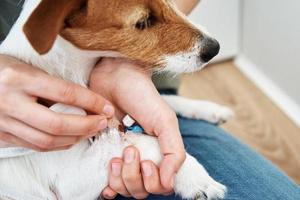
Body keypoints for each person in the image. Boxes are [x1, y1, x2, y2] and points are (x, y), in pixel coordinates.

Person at [0, 1, 299, 200]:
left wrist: (124, 68)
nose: (196, 40)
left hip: (144, 105)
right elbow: (69, 185)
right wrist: (150, 150)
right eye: (144, 22)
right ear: (64, 18)